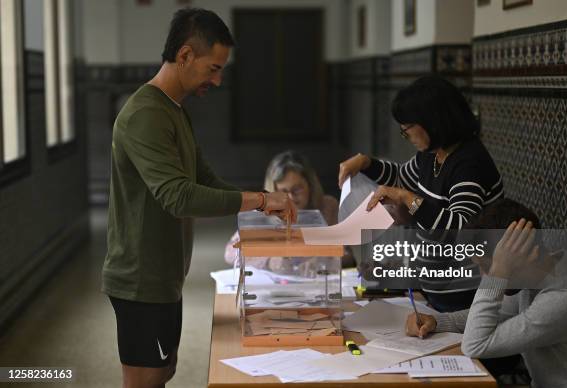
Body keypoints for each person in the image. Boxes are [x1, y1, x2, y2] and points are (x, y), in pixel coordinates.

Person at [102, 9, 296, 388]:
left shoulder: (174, 111)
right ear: (185, 54)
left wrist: (264, 201)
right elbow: (177, 196)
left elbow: (204, 179)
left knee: (165, 371)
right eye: (213, 68)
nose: (218, 80)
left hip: (163, 275)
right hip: (140, 279)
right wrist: (258, 200)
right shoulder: (145, 114)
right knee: (145, 380)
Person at [338, 75, 504, 312]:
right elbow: (400, 177)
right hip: (434, 294)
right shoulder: (432, 154)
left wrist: (407, 198)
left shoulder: (469, 164)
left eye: (407, 130)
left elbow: (459, 231)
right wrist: (365, 163)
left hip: (465, 298)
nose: (406, 137)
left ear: (433, 122)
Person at [405, 199, 567, 387]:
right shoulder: (546, 269)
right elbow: (498, 315)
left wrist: (498, 273)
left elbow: (476, 345)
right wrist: (437, 322)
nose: (484, 275)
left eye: (488, 267)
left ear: (524, 253)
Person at [225, 150, 355, 271]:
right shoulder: (261, 212)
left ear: (310, 185)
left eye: (297, 189)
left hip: (315, 282)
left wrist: (324, 260)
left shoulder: (328, 206)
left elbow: (349, 253)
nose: (291, 197)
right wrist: (269, 261)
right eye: (284, 191)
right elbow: (231, 252)